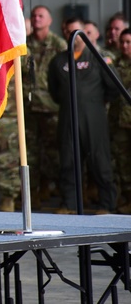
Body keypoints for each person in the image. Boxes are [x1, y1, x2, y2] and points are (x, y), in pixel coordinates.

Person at [48, 17, 119, 213]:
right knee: (68, 160)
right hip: (68, 117)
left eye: (74, 32)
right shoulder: (58, 61)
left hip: (94, 116)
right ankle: (70, 203)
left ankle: (106, 204)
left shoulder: (98, 57)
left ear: (84, 33)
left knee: (100, 160)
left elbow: (113, 87)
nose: (70, 36)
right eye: (67, 32)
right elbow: (54, 90)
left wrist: (95, 102)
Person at [25, 5, 67, 208]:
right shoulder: (24, 44)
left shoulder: (59, 45)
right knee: (30, 153)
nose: (36, 19)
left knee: (53, 153)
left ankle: (55, 190)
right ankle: (33, 192)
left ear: (50, 21)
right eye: (34, 15)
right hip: (29, 108)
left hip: (52, 107)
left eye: (41, 16)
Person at [109, 28, 131, 213]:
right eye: (122, 42)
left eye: (129, 42)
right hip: (119, 122)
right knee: (122, 162)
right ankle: (127, 197)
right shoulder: (116, 63)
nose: (124, 46)